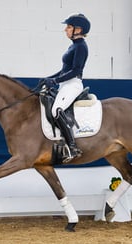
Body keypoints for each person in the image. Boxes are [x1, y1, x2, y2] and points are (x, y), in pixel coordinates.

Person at [41, 13, 91, 162]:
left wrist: (55, 81)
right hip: (65, 83)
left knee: (57, 110)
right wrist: (50, 78)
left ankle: (73, 147)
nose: (66, 30)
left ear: (78, 29)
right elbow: (65, 70)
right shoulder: (73, 45)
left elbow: (75, 71)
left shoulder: (81, 46)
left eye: (68, 27)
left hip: (73, 84)